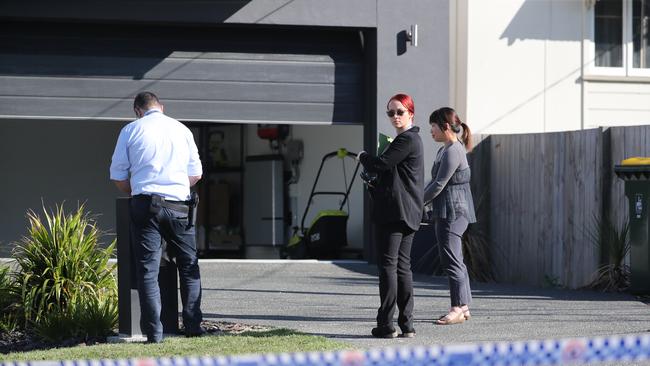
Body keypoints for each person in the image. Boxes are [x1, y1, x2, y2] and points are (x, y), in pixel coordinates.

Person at [109, 91, 204, 342]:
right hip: (179, 206)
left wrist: (139, 191)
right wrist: (175, 186)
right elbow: (196, 174)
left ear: (137, 110)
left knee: (148, 271)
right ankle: (193, 326)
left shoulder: (131, 130)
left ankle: (154, 333)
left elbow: (118, 176)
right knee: (188, 264)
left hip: (145, 205)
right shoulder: (182, 130)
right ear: (161, 106)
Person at [357, 93, 424, 338]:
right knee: (403, 267)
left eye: (400, 112)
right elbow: (393, 173)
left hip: (395, 213)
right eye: (391, 113)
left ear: (411, 114)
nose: (395, 116)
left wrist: (362, 157)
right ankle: (407, 325)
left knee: (389, 266)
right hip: (408, 212)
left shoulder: (406, 140)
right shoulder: (411, 140)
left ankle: (386, 325)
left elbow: (379, 164)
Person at [424, 107, 476, 325]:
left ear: (445, 127)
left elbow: (438, 184)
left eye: (433, 127)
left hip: (453, 212)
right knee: (456, 259)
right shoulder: (446, 149)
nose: (431, 131)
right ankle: (463, 307)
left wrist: (416, 202)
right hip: (449, 210)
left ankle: (456, 308)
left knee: (451, 260)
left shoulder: (454, 150)